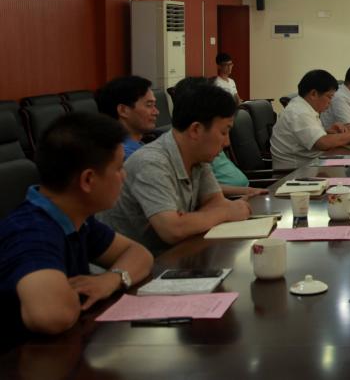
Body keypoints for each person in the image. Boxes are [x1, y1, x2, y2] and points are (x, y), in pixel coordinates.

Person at [0, 113, 153, 338]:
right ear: (88, 180)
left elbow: (139, 254)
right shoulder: (30, 231)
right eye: (118, 168)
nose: (124, 176)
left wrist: (112, 279)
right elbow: (52, 316)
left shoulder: (75, 218)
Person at [98, 82, 253, 254]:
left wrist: (193, 220)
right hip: (134, 264)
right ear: (196, 130)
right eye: (223, 132)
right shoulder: (151, 162)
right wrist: (224, 213)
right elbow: (172, 230)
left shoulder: (198, 156)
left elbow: (216, 202)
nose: (227, 142)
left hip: (175, 255)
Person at [270, 69, 350, 170]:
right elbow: (322, 143)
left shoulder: (304, 107)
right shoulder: (299, 113)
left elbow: (307, 138)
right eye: (329, 97)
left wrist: (327, 132)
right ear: (313, 94)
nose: (330, 102)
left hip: (310, 164)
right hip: (294, 173)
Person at [95, 75, 159, 159]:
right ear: (123, 110)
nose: (156, 112)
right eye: (149, 105)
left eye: (154, 105)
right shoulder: (128, 157)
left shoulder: (138, 146)